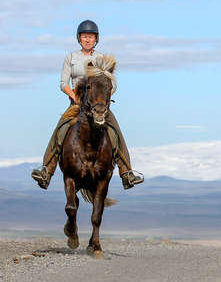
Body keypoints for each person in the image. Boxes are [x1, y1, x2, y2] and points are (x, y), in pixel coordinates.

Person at [31, 20, 144, 190]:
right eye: (84, 36)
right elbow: (63, 83)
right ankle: (47, 170)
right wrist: (75, 96)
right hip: (76, 104)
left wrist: (103, 101)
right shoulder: (71, 58)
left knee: (115, 131)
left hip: (98, 106)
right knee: (60, 129)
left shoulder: (101, 59)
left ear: (96, 39)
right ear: (79, 38)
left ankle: (126, 172)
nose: (87, 39)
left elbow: (113, 84)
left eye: (91, 37)